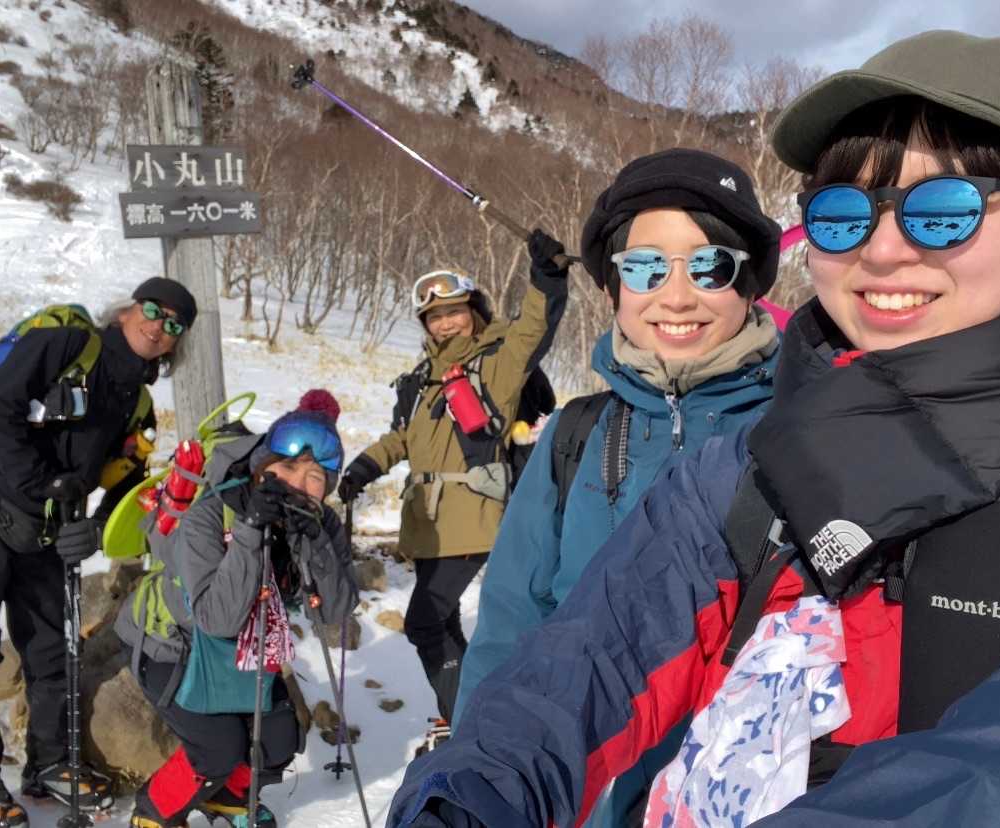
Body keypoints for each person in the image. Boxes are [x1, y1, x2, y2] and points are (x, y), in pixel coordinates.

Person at [386, 30, 1000, 828]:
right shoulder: (741, 475)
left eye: (943, 210)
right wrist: (466, 801)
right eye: (843, 213)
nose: (881, 251)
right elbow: (586, 663)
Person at [452, 149, 782, 827]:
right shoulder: (574, 435)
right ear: (612, 289)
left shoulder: (804, 431)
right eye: (644, 268)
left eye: (710, 266)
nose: (676, 296)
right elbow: (510, 630)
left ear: (749, 284)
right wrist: (479, 793)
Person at [0, 277, 196, 827]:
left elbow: (129, 480)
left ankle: (49, 764)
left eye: (174, 324)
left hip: (51, 531)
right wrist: (41, 484)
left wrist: (96, 529)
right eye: (153, 310)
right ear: (127, 311)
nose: (159, 327)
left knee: (52, 650)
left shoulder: (138, 402)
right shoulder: (68, 345)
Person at [336, 235, 569, 744]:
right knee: (442, 624)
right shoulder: (424, 378)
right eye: (434, 317)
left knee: (423, 622)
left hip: (471, 514)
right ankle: (466, 708)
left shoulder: (496, 363)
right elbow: (404, 438)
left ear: (474, 313)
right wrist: (363, 468)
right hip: (428, 520)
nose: (445, 323)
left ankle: (469, 721)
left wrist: (546, 277)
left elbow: (533, 329)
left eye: (454, 312)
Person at [117, 390, 359, 828]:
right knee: (219, 749)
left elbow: (334, 612)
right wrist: (250, 529)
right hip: (173, 644)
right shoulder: (212, 513)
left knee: (281, 737)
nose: (297, 485)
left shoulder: (320, 523)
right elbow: (217, 618)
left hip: (244, 650)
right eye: (287, 468)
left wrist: (315, 542)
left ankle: (229, 798)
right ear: (262, 467)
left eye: (314, 477)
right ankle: (154, 812)